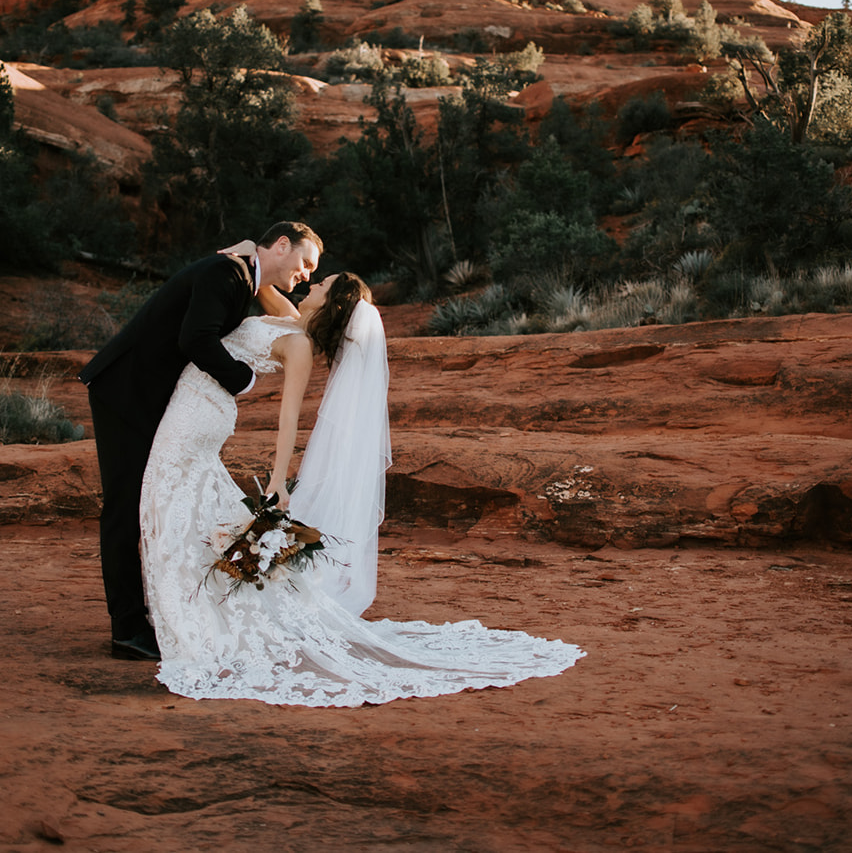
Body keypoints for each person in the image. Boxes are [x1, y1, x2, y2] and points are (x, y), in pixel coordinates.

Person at [138, 272, 583, 707]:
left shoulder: (300, 346)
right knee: (184, 507)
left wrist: (278, 478)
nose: (311, 284)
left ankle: (183, 612)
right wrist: (245, 260)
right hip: (196, 405)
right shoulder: (291, 319)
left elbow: (288, 419)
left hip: (201, 415)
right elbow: (262, 284)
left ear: (331, 305)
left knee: (178, 502)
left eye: (322, 285)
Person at [78, 222, 322, 662]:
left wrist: (252, 250)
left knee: (140, 501)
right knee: (123, 507)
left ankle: (143, 615)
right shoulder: (226, 275)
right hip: (126, 391)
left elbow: (289, 318)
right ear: (281, 245)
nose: (306, 274)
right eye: (305, 263)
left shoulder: (243, 277)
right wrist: (243, 381)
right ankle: (128, 629)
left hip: (149, 397)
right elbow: (195, 339)